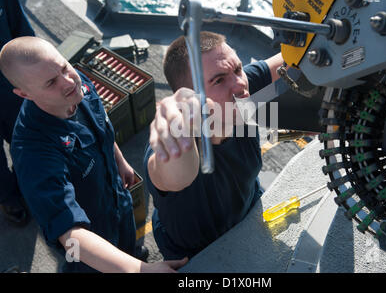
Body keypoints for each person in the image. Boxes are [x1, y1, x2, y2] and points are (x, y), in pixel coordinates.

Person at [0, 36, 187, 273]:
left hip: (116, 202)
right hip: (86, 247)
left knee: (128, 245)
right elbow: (70, 236)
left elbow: (102, 126)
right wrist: (140, 271)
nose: (68, 81)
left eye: (64, 67)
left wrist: (120, 161)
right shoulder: (34, 152)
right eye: (50, 82)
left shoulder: (78, 85)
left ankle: (129, 254)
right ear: (25, 95)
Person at [144, 31, 284, 260]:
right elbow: (176, 174)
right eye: (218, 80)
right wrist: (182, 135)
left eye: (238, 69)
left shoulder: (237, 90)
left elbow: (292, 58)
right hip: (198, 255)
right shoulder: (173, 144)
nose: (240, 85)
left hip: (249, 212)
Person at [0, 0, 35, 226]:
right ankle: (6, 195)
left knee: (24, 137)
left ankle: (27, 183)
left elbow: (21, 29)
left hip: (11, 87)